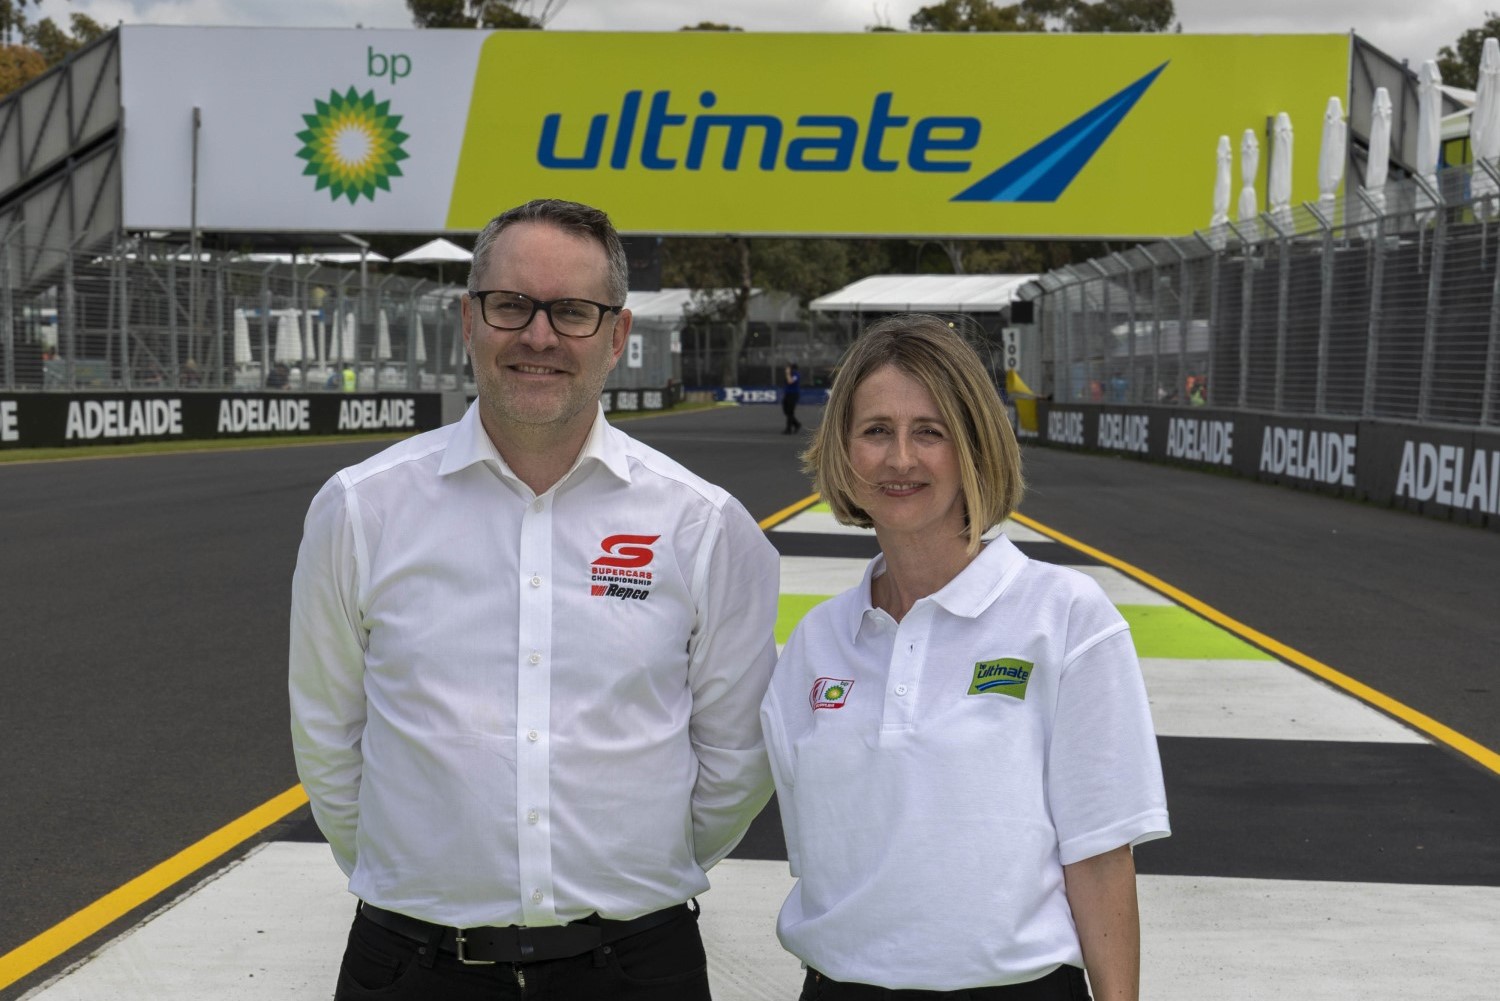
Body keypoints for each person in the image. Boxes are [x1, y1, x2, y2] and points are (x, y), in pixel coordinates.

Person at [290, 198, 781, 1001]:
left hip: (635, 964)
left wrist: (628, 877)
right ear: (469, 320)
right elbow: (326, 737)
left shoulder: (702, 524)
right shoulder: (359, 509)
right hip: (411, 963)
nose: (540, 336)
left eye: (573, 311)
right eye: (511, 304)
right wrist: (426, 881)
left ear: (617, 335)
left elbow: (735, 761)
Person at [761, 314, 1169, 1000]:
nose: (901, 459)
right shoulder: (817, 641)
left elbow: (1100, 858)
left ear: (975, 446)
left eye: (930, 431)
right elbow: (819, 856)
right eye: (876, 431)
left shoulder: (1066, 615)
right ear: (843, 451)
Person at [781, 362, 802, 434]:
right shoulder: (789, 374)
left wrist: (787, 373)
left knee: (790, 411)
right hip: (787, 394)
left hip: (793, 395)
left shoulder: (796, 374)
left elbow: (790, 381)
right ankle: (797, 424)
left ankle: (788, 429)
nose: (786, 369)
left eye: (787, 368)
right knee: (786, 410)